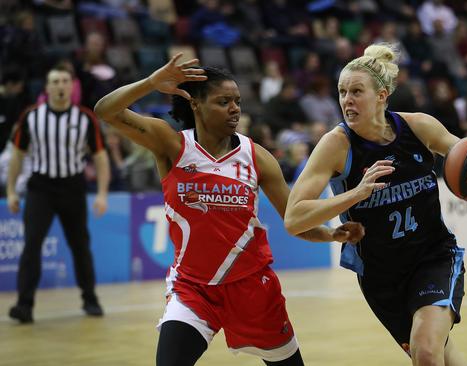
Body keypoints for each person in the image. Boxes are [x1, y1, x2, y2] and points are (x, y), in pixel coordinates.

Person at [94, 54, 363, 366]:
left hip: (252, 288)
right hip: (193, 287)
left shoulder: (257, 157)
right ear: (196, 105)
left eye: (237, 101)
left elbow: (296, 221)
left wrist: (332, 233)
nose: (235, 108)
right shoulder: (171, 144)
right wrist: (152, 83)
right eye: (224, 101)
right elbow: (105, 111)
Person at [284, 44, 467, 366]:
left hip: (432, 255)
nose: (347, 100)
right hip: (380, 275)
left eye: (356, 92)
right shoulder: (336, 145)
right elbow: (294, 218)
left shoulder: (419, 127)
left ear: (381, 96)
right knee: (439, 358)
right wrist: (355, 194)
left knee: (427, 351)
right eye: (342, 92)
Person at [7, 63, 110, 323]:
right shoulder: (31, 116)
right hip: (40, 188)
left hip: (72, 187)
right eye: (55, 81)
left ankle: (90, 299)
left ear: (71, 86)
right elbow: (17, 157)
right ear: (47, 87)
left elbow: (100, 158)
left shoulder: (85, 118)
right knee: (31, 246)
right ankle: (24, 305)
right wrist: (11, 191)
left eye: (65, 81)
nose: (60, 85)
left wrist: (101, 193)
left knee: (80, 246)